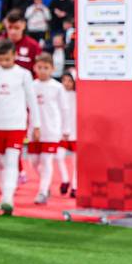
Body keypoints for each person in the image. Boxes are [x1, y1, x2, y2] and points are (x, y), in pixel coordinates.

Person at [0, 38, 40, 216]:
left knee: (11, 161)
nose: (4, 63)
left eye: (8, 59)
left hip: (16, 124)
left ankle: (8, 198)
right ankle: (4, 194)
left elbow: (32, 101)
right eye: (1, 60)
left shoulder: (24, 74)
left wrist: (36, 125)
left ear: (15, 55)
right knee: (0, 162)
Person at [31, 53, 70, 206]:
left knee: (47, 161)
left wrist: (65, 130)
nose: (42, 71)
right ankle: (45, 184)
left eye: (46, 68)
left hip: (52, 131)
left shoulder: (57, 87)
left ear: (53, 69)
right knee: (34, 161)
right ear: (35, 68)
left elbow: (64, 109)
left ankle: (42, 191)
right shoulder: (31, 86)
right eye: (39, 67)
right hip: (34, 131)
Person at [60, 70, 78, 198]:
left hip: (76, 132)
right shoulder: (58, 93)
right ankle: (65, 179)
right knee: (58, 157)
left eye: (69, 80)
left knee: (76, 161)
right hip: (61, 132)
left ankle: (75, 186)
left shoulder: (78, 95)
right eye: (64, 80)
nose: (66, 83)